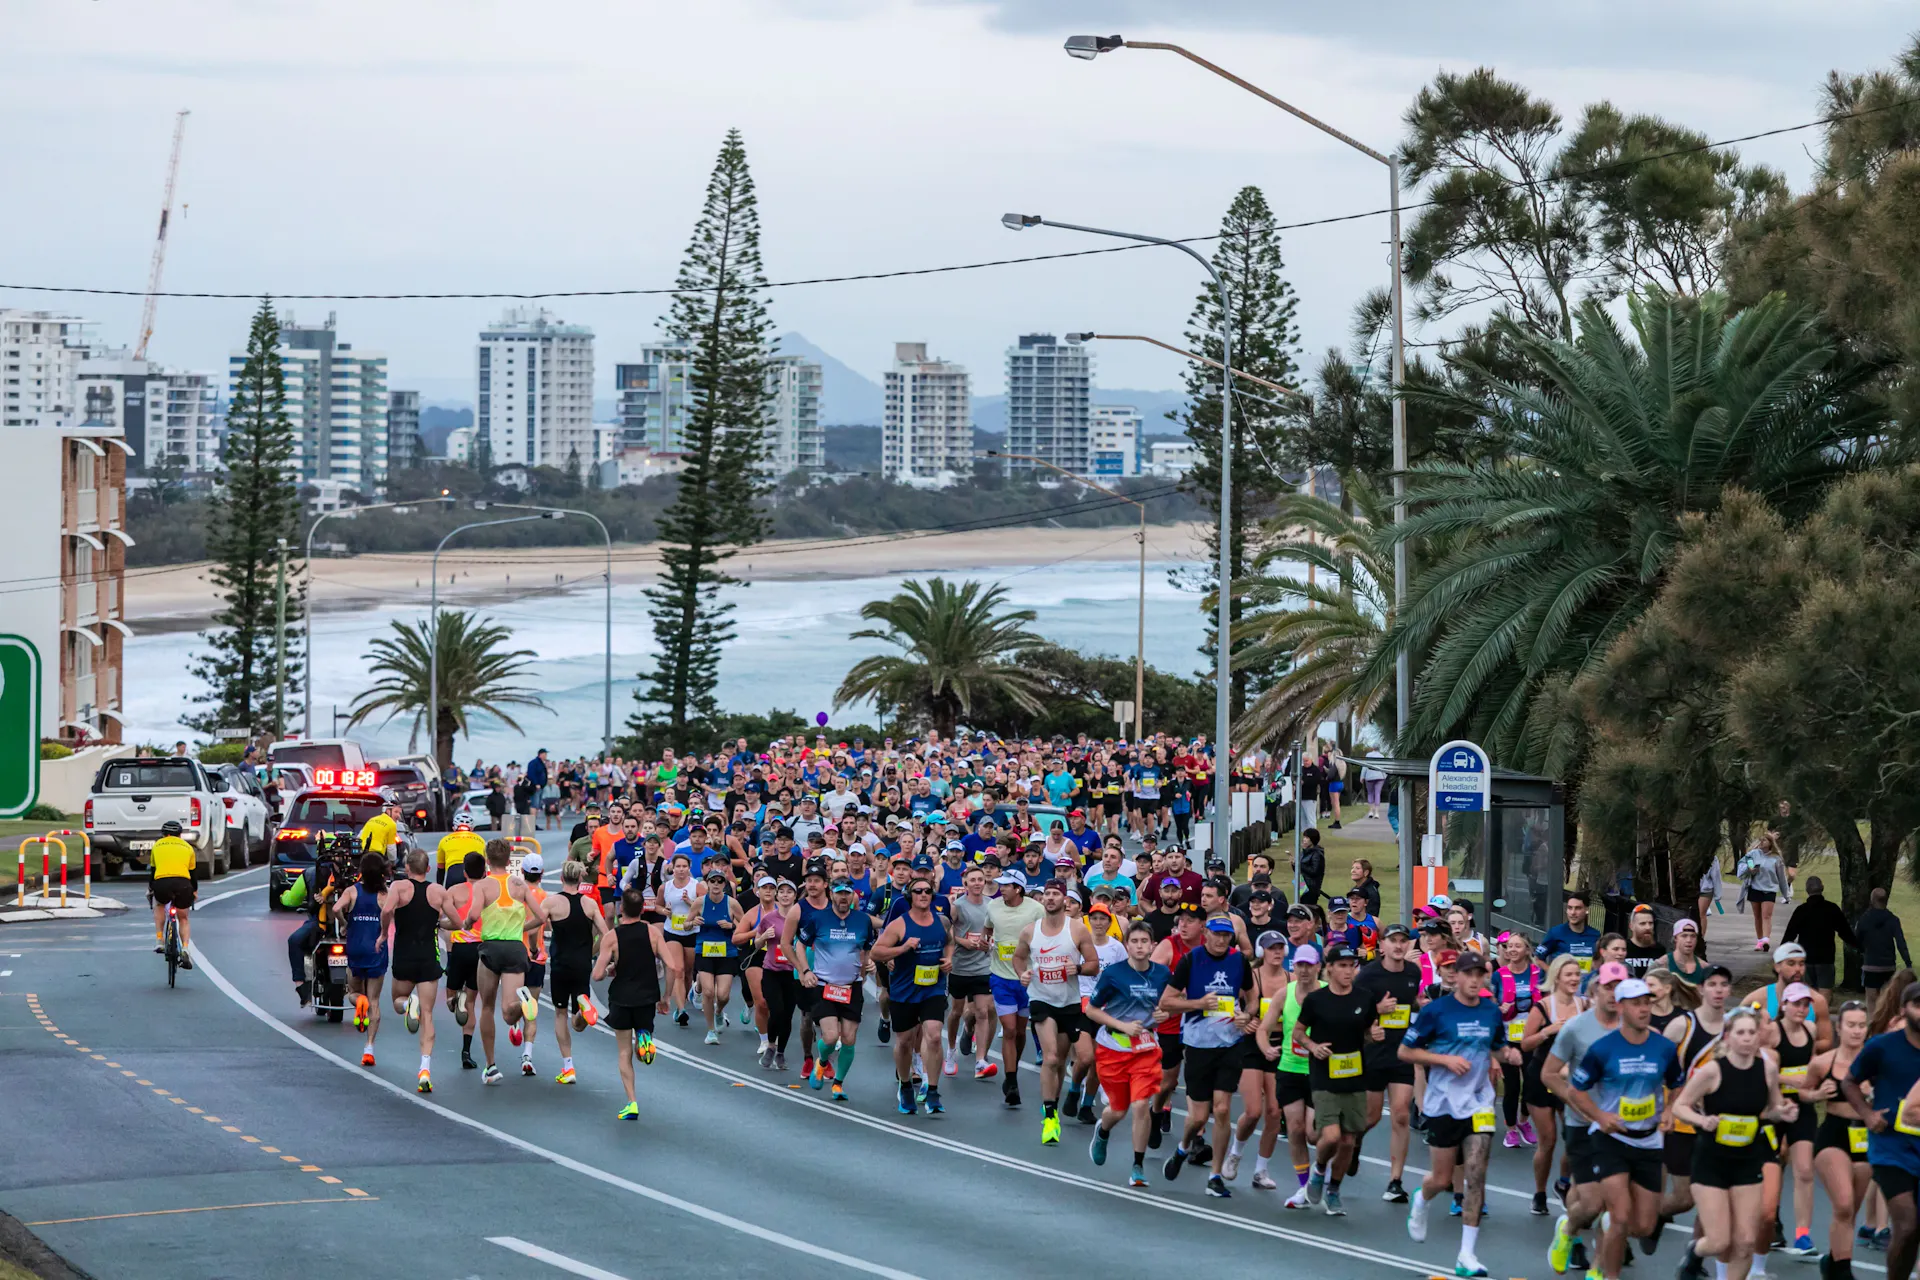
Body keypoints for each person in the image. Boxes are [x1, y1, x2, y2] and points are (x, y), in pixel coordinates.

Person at [1560, 977, 1685, 1280]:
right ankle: (1605, 1271)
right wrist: (1600, 1117)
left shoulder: (1664, 1047)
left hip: (1649, 1141)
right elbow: (1576, 1091)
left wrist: (1669, 1109)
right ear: (1621, 1007)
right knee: (1620, 1215)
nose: (1645, 1009)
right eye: (1637, 1004)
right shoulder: (1603, 1049)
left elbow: (1678, 1083)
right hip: (1611, 1139)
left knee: (1643, 1225)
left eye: (1647, 1003)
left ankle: (1601, 1229)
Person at [1401, 948, 1514, 1279]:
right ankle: (1422, 1199)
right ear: (1457, 977)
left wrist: (1509, 1055)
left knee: (1476, 1174)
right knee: (1442, 1178)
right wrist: (1444, 1060)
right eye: (1469, 974)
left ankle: (1467, 1254)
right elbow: (1405, 1051)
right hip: (1443, 1103)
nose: (1474, 980)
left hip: (1479, 1102)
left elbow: (1497, 1047)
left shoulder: (1491, 1012)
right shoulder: (1436, 1012)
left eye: (1480, 975)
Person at [1670, 1007, 1799, 1280]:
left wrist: (1783, 1112)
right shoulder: (1712, 1071)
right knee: (1719, 1241)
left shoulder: (1767, 1069)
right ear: (1727, 1037)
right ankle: (1695, 1251)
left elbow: (1771, 1109)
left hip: (1748, 1160)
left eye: (1752, 1032)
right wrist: (1701, 1121)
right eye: (1740, 1032)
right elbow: (1680, 1106)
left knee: (1745, 1242)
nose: (1747, 1038)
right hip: (1711, 1162)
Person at [1544, 960, 1628, 1277]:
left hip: (1622, 1128)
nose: (1614, 993)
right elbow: (1550, 1074)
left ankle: (1598, 1268)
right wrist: (1576, 1101)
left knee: (1614, 1205)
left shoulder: (1633, 1026)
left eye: (1621, 987)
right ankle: (1568, 1227)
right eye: (1608, 986)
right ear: (1595, 989)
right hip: (1583, 1124)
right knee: (1592, 1204)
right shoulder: (1577, 1028)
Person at [1163, 914, 1256, 1199]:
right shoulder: (1191, 960)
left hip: (1230, 1044)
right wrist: (1198, 1003)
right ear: (1206, 934)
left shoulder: (1239, 961)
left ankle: (1215, 1175)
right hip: (1198, 1044)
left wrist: (1247, 1016)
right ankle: (1183, 1147)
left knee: (1224, 1109)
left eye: (1226, 936)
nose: (1220, 940)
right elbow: (1167, 1001)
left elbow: (1252, 998)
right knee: (1198, 1117)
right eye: (1216, 934)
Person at [1293, 942, 1382, 1217]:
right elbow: (1298, 1033)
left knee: (1348, 1141)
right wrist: (1313, 1046)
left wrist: (1374, 1035)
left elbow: (1369, 1030)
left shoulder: (1364, 998)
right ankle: (1319, 1170)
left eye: (1351, 966)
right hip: (1324, 1076)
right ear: (1329, 968)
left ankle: (1333, 1189)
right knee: (1330, 1136)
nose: (1348, 971)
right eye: (1342, 966)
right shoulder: (1316, 1000)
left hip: (1354, 1076)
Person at [1839, 981, 1920, 1280]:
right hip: (1890, 1148)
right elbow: (1849, 1081)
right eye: (1918, 1004)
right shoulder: (1882, 1046)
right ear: (1903, 1010)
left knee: (1915, 1230)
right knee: (1907, 1223)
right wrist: (1867, 1115)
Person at [1085, 919, 1173, 1188]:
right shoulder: (1114, 974)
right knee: (1119, 1110)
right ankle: (1103, 1129)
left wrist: (1165, 1013)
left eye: (1144, 941)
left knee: (1141, 1105)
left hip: (1146, 1048)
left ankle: (1137, 1165)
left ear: (1152, 945)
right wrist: (1122, 1025)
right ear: (1126, 945)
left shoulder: (1162, 974)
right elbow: (1091, 1009)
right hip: (1114, 1047)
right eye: (1134, 941)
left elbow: (1169, 1006)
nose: (1139, 946)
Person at [1655, 963, 1733, 1260]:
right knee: (1685, 1198)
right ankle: (1657, 1216)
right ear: (1700, 989)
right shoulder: (1682, 1026)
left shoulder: (1732, 1029)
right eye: (1711, 984)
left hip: (1716, 1124)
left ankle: (1695, 1255)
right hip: (1680, 1121)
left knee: (1714, 1195)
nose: (1717, 990)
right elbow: (1657, 1066)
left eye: (1723, 985)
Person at [1013, 878, 1100, 1143]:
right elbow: (1018, 957)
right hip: (1041, 1000)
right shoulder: (1031, 931)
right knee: (1050, 1058)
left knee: (1071, 1059)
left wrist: (1080, 968)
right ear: (1041, 899)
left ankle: (1064, 1095)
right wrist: (1022, 974)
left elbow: (1094, 964)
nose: (1050, 898)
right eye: (1046, 894)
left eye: (1055, 894)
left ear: (1065, 900)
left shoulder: (1077, 930)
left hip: (1070, 1002)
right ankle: (1050, 1118)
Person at [872, 874, 954, 1116]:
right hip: (905, 990)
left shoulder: (942, 921)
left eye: (927, 891)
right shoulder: (899, 924)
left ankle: (933, 1090)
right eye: (917, 891)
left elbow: (949, 942)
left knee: (934, 1036)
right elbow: (877, 953)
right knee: (905, 1041)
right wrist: (903, 948)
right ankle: (905, 1085)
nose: (923, 895)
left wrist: (949, 959)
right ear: (910, 896)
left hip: (934, 988)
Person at [1805, 1000, 1875, 1280]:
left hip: (1864, 1137)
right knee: (1844, 1203)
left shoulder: (1876, 1062)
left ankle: (1833, 1262)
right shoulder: (1824, 1062)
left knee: (1849, 1211)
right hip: (1833, 1134)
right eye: (1851, 1025)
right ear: (1839, 1027)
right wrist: (1818, 1094)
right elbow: (1804, 1093)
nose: (1857, 1031)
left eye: (1862, 1025)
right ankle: (1844, 1273)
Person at [788, 877, 874, 1103]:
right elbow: (800, 943)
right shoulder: (818, 918)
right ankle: (822, 1061)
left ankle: (838, 1083)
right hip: (824, 985)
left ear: (852, 896)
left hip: (851, 987)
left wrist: (866, 971)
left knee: (849, 1038)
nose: (843, 898)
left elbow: (866, 949)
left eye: (847, 893)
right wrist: (805, 971)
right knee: (830, 1035)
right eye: (839, 893)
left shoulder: (862, 920)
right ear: (832, 894)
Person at [461, 840, 538, 1086]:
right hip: (516, 948)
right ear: (508, 861)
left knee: (487, 1008)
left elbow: (473, 915)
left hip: (491, 948)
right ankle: (525, 1002)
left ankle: (491, 1066)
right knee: (509, 1011)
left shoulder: (483, 884)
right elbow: (542, 916)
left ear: (486, 861)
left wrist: (466, 925)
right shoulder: (520, 884)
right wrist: (520, 928)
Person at [593, 886, 674, 1121]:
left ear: (620, 910)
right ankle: (644, 1037)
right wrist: (666, 997)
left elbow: (597, 976)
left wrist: (610, 968)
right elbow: (673, 966)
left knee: (623, 1051)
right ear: (642, 910)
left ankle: (631, 1102)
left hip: (621, 998)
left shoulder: (612, 937)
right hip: (648, 997)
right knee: (641, 1039)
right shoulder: (652, 933)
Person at [1358, 921, 1425, 1204]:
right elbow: (1351, 1011)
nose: (1398, 946)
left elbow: (1415, 1001)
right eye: (1393, 941)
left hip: (1401, 1053)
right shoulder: (1368, 975)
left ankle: (1395, 1180)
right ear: (1382, 945)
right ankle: (1352, 1144)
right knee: (1371, 1117)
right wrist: (1376, 1011)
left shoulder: (1413, 972)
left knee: (1400, 1114)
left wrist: (1426, 1005)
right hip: (1373, 1052)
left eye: (1403, 941)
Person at [1760, 982, 1822, 1259]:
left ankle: (1803, 1235)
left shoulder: (1810, 1030)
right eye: (1796, 1003)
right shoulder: (1772, 1032)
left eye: (1805, 1004)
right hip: (1773, 1108)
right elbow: (1756, 1067)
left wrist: (1813, 1088)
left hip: (1801, 1109)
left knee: (1805, 1170)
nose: (1802, 1009)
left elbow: (1811, 1070)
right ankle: (1768, 1222)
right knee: (1770, 1170)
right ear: (1783, 1005)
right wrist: (1786, 1079)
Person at [1521, 955, 1585, 1216]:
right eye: (1568, 974)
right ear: (1557, 977)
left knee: (1573, 1137)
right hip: (1541, 1076)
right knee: (1547, 1140)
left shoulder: (1585, 1005)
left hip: (1570, 1079)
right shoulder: (1543, 1007)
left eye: (1577, 975)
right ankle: (1539, 1192)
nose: (1574, 979)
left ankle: (1562, 1181)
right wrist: (1548, 1031)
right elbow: (1525, 1044)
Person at [1227, 927, 1290, 1190]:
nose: (1276, 953)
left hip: (1280, 1047)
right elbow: (1228, 1002)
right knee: (1253, 1111)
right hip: (1252, 1047)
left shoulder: (1292, 978)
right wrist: (1242, 1022)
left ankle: (1261, 1170)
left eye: (1280, 948)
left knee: (1275, 1112)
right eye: (1271, 949)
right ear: (1262, 952)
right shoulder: (1250, 977)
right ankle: (1235, 1153)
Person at [1263, 942, 1322, 1207]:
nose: (1305, 970)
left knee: (1314, 1134)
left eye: (1310, 965)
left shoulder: (1326, 994)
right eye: (1300, 965)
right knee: (1296, 1130)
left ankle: (1322, 1176)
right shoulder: (1283, 994)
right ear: (1294, 967)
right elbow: (1263, 1029)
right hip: (1289, 1068)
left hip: (1319, 1072)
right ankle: (1304, 1187)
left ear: (1318, 967)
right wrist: (1266, 1048)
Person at [538, 859, 605, 1085]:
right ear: (580, 879)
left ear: (561, 878)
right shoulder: (590, 904)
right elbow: (606, 934)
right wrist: (592, 952)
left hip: (560, 964)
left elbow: (535, 922)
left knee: (559, 1013)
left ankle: (568, 1066)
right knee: (578, 1023)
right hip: (582, 964)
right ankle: (583, 1008)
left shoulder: (552, 902)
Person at [386, 847, 447, 1093]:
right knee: (428, 1014)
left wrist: (383, 932)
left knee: (397, 1001)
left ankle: (408, 1004)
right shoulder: (437, 891)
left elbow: (387, 911)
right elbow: (454, 919)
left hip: (404, 954)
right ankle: (424, 1069)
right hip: (427, 957)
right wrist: (442, 923)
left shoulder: (399, 888)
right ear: (429, 869)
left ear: (407, 869)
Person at [985, 871, 1044, 1109]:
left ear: (1018, 888)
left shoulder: (1035, 909)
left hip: (1028, 979)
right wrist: (986, 941)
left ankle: (1013, 1067)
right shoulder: (993, 907)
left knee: (1020, 1032)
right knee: (1008, 1029)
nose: (1001, 889)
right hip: (1000, 977)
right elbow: (987, 930)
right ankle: (1011, 1083)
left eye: (1005, 886)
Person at [335, 852, 389, 1067]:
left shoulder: (352, 891)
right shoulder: (384, 895)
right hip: (376, 950)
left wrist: (345, 923)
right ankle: (369, 1049)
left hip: (355, 949)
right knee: (375, 1001)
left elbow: (336, 908)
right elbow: (392, 913)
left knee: (353, 992)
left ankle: (360, 1002)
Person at [944, 865, 998, 1081]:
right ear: (965, 883)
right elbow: (946, 931)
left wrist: (989, 945)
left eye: (980, 879)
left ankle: (981, 1060)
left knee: (983, 1011)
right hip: (960, 967)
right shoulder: (957, 906)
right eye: (972, 880)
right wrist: (961, 941)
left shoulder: (991, 905)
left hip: (983, 966)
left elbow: (996, 930)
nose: (977, 883)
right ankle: (950, 1051)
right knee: (957, 1012)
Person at [1493, 930, 1546, 1149]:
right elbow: (1489, 1005)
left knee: (1532, 1083)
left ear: (1527, 949)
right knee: (1512, 1086)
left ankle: (1524, 1121)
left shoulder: (1537, 973)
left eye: (1517, 946)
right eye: (1509, 946)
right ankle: (1511, 1129)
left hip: (1531, 1037)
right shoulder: (1499, 975)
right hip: (1507, 1038)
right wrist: (1499, 1007)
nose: (1512, 950)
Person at [1744, 941, 1835, 1054]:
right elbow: (1736, 1031)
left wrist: (1800, 1046)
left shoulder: (1817, 1000)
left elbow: (1826, 1041)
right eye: (1791, 963)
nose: (1797, 969)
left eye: (1801, 964)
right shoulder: (1757, 998)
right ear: (1777, 966)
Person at [1781, 876, 1860, 998]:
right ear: (1822, 888)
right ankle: (1822, 1013)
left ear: (1807, 890)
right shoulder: (1832, 909)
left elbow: (1790, 934)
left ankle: (1810, 1015)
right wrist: (1860, 946)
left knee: (1807, 991)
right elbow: (1845, 932)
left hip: (1806, 957)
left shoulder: (1801, 910)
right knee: (1825, 990)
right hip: (1825, 958)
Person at [692, 868, 741, 1046]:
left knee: (723, 995)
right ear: (708, 883)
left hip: (726, 952)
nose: (716, 885)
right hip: (704, 950)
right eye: (713, 881)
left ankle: (719, 1011)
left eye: (720, 881)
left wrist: (731, 925)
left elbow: (744, 925)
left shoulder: (732, 903)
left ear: (724, 884)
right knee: (708, 992)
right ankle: (711, 1031)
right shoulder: (699, 902)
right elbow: (686, 926)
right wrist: (693, 922)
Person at [147, 819, 197, 967]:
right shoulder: (188, 847)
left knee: (160, 905)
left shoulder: (157, 846)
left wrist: (151, 888)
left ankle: (159, 939)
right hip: (183, 884)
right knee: (183, 918)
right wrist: (194, 891)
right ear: (180, 835)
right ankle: (186, 948)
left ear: (164, 834)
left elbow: (153, 871)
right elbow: (193, 874)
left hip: (162, 883)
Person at [1739, 831, 1792, 952]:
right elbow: (1744, 865)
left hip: (1769, 890)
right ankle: (1759, 941)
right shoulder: (1753, 854)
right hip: (1755, 888)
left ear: (1770, 843)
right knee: (1757, 916)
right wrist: (1750, 869)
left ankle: (1766, 940)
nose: (1761, 842)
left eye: (1764, 840)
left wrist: (1786, 895)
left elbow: (1782, 878)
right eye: (1760, 840)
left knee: (1766, 916)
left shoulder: (1776, 858)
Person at [1859, 889, 1915, 1001]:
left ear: (1872, 900)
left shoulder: (1864, 919)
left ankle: (1872, 1018)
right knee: (1887, 999)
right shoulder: (1893, 920)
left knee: (1871, 1000)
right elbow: (1901, 943)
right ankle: (1885, 1017)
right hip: (1888, 965)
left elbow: (1857, 940)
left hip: (1870, 964)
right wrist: (1908, 963)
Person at [1537, 889, 1602, 974]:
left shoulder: (1595, 935)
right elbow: (1537, 958)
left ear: (1587, 910)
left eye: (1578, 908)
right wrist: (1553, 974)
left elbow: (1599, 962)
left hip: (1585, 985)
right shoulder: (1556, 933)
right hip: (1563, 985)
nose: (1573, 912)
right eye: (1570, 908)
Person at [435, 817, 486, 886]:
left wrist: (439, 886)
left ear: (454, 828)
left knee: (451, 895)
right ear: (472, 829)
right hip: (475, 874)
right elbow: (485, 864)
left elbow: (441, 867)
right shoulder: (481, 840)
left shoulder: (444, 840)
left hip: (454, 872)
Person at [1622, 905, 1664, 981]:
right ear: (1631, 926)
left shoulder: (1660, 950)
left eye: (1650, 923)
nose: (1648, 927)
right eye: (1642, 923)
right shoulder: (1622, 948)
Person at [1667, 918, 1712, 986]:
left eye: (1693, 936)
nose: (1689, 940)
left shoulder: (1705, 969)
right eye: (1684, 936)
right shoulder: (1661, 965)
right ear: (1675, 938)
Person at [1297, 827, 1327, 909]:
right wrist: (1294, 865)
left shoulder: (1317, 854)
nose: (1304, 840)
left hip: (1311, 887)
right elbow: (1299, 871)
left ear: (1312, 840)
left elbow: (1314, 871)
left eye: (1307, 838)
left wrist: (1298, 865)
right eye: (1304, 837)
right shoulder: (1303, 852)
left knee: (1308, 909)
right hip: (1302, 885)